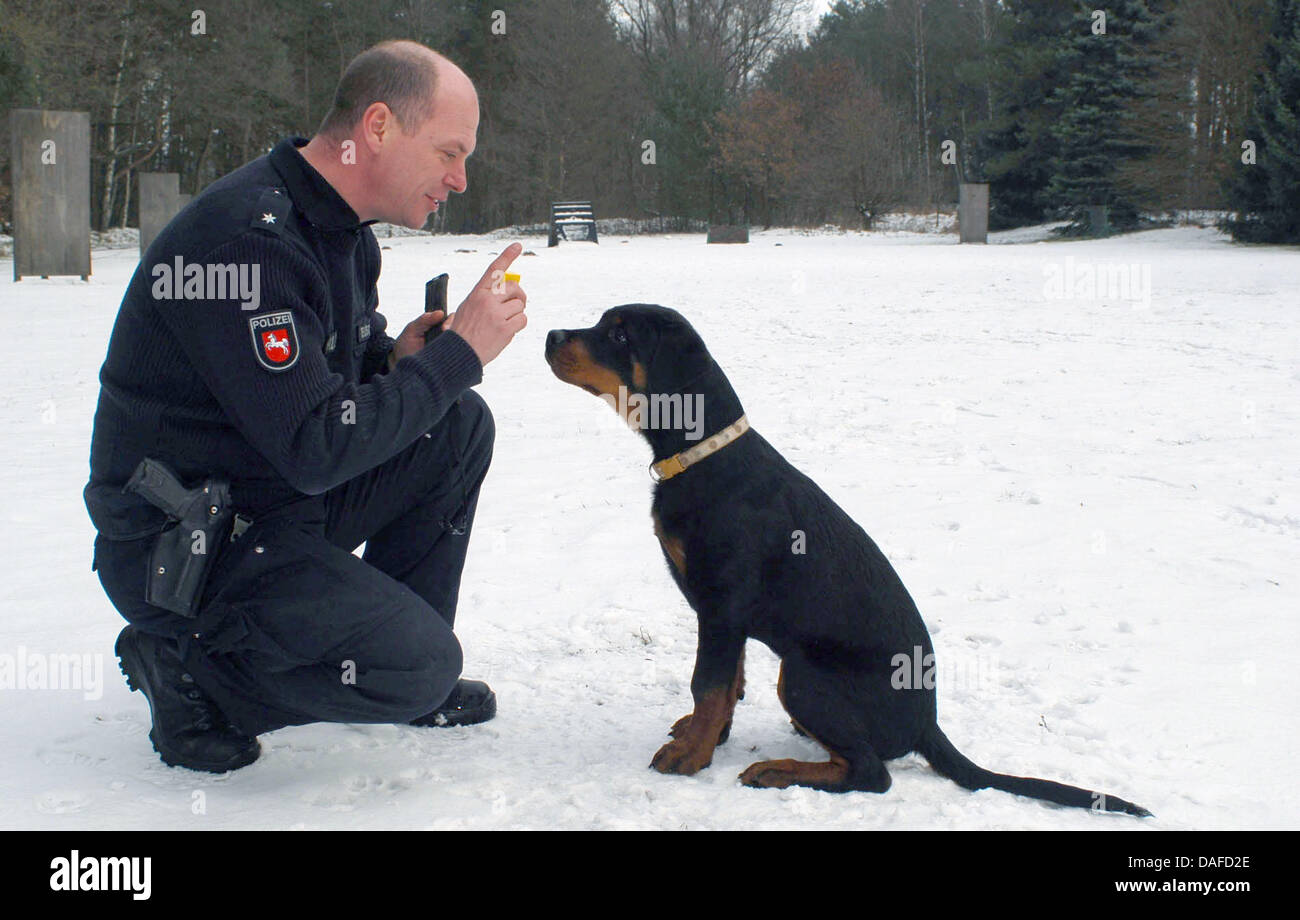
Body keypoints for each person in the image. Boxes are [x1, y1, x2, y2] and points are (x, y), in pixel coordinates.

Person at [83, 40, 526, 773]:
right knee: (417, 664)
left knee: (455, 425)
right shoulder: (244, 246)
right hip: (189, 547)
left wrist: (396, 362)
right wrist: (459, 356)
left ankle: (394, 666)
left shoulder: (337, 233)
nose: (460, 178)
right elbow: (317, 446)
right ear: (378, 127)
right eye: (450, 152)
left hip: (272, 504)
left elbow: (322, 384)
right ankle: (195, 673)